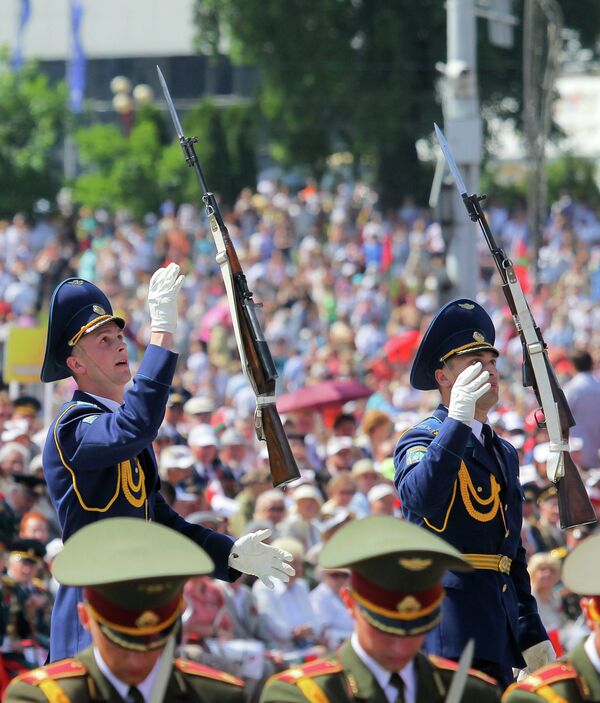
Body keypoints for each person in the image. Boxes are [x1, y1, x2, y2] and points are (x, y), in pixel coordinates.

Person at [40, 267, 294, 660]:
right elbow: (136, 424)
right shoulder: (73, 426)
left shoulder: (119, 426)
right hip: (94, 606)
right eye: (105, 341)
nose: (121, 346)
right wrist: (162, 334)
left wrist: (226, 553)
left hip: (141, 607)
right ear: (76, 364)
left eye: (120, 337)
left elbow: (158, 521)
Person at [394, 299, 552, 689]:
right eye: (472, 363)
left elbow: (510, 553)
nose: (489, 371)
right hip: (449, 622)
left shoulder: (503, 451)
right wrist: (458, 420)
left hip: (497, 624)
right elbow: (420, 497)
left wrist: (530, 632)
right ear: (442, 377)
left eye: (492, 362)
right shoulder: (422, 437)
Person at [260, 515, 502, 702]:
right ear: (350, 603)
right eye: (385, 628)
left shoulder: (472, 692)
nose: (401, 644)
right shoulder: (303, 695)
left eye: (417, 628)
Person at [4, 517, 248, 702]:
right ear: (85, 617)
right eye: (121, 641)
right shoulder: (43, 696)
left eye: (153, 640)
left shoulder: (219, 695)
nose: (136, 659)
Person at [503, 531, 600, 702]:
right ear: (589, 611)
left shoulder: (556, 598)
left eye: (550, 571)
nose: (546, 575)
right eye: (542, 571)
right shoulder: (539, 696)